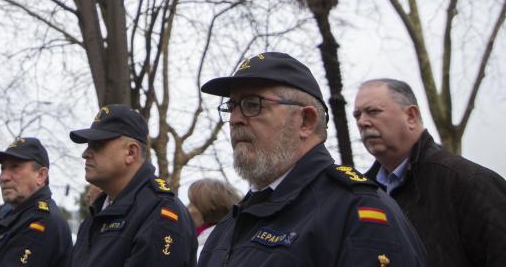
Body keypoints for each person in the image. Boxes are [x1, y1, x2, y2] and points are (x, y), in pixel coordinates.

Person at [197, 52, 426, 266]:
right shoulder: (228, 228)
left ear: (306, 121)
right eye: (232, 106)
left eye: (252, 105)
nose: (235, 118)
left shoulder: (357, 213)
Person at [354, 78, 506, 267]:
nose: (362, 122)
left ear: (411, 116)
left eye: (373, 111)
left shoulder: (468, 181)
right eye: (357, 115)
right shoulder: (361, 196)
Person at [70, 104, 197, 267]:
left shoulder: (160, 213)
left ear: (131, 152)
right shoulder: (98, 212)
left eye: (97, 145)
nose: (85, 153)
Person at [0, 137, 72, 267]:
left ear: (41, 175)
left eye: (15, 167)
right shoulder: (16, 217)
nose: (4, 177)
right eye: (3, 169)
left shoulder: (42, 222)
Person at [187, 179, 240, 259]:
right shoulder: (198, 240)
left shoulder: (212, 248)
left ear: (212, 206)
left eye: (192, 204)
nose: (188, 209)